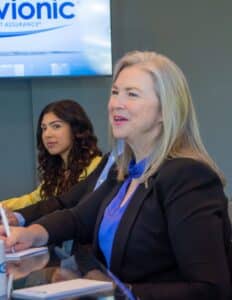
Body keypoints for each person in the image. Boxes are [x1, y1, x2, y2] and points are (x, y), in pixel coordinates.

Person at [1, 51, 231, 300]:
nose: (116, 104)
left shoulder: (188, 176)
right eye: (115, 92)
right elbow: (78, 218)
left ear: (165, 111)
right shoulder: (123, 170)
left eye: (132, 94)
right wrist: (32, 233)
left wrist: (118, 292)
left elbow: (211, 289)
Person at [1, 99, 102, 211]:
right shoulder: (58, 170)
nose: (47, 134)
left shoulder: (98, 166)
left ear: (76, 129)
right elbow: (33, 199)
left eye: (56, 126)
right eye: (44, 128)